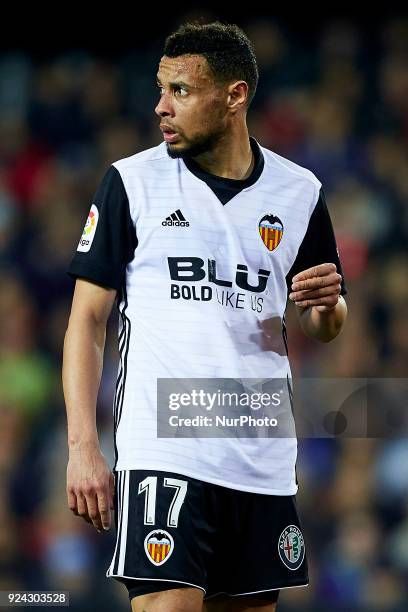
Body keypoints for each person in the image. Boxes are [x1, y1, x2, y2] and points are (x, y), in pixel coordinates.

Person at [62, 21, 347, 612]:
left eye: (181, 92)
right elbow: (87, 320)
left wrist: (326, 308)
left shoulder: (299, 193)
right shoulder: (132, 183)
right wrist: (84, 445)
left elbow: (321, 321)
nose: (161, 107)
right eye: (161, 90)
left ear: (234, 96)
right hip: (165, 448)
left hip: (260, 456)